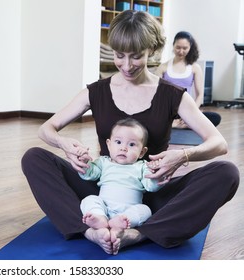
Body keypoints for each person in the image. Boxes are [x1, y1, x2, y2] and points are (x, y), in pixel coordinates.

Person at [21, 10, 239, 255]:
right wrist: (63, 144)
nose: (126, 65)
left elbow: (218, 143)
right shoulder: (96, 91)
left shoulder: (172, 95)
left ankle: (139, 234)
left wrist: (183, 157)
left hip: (152, 192)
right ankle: (91, 231)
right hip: (102, 190)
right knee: (34, 158)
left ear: (152, 51)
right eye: (119, 55)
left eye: (136, 56)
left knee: (227, 173)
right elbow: (46, 128)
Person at [79, 118, 163, 254]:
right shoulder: (103, 162)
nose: (123, 148)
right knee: (89, 199)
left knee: (145, 210)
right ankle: (99, 219)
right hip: (104, 207)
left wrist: (156, 174)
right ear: (109, 145)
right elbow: (89, 174)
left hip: (128, 212)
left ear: (142, 152)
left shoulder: (142, 167)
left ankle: (120, 225)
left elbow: (151, 186)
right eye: (118, 142)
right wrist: (84, 163)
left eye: (131, 145)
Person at [155, 31, 221, 128]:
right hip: (167, 109)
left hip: (186, 109)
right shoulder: (163, 67)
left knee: (215, 117)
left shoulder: (195, 68)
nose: (181, 51)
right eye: (178, 47)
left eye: (185, 48)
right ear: (173, 45)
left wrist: (192, 112)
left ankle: (178, 124)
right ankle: (182, 124)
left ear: (190, 48)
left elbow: (200, 95)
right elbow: (156, 93)